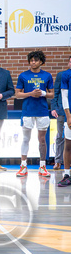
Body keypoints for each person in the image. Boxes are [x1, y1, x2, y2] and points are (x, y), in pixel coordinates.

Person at [14, 50, 54, 177]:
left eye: (35, 60)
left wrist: (42, 93)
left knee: (42, 140)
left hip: (42, 111)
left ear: (41, 62)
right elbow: (17, 94)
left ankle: (42, 167)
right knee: (26, 138)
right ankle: (23, 166)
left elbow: (52, 94)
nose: (33, 62)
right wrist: (31, 93)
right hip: (28, 111)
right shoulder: (23, 75)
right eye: (31, 60)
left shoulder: (47, 76)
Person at [51, 57, 71, 171]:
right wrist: (54, 107)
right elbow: (56, 92)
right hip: (61, 110)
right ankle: (58, 161)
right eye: (69, 61)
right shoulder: (62, 75)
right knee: (60, 136)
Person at [57, 57, 71, 187]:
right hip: (70, 114)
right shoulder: (66, 75)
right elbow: (64, 97)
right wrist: (68, 115)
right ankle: (67, 175)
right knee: (68, 145)